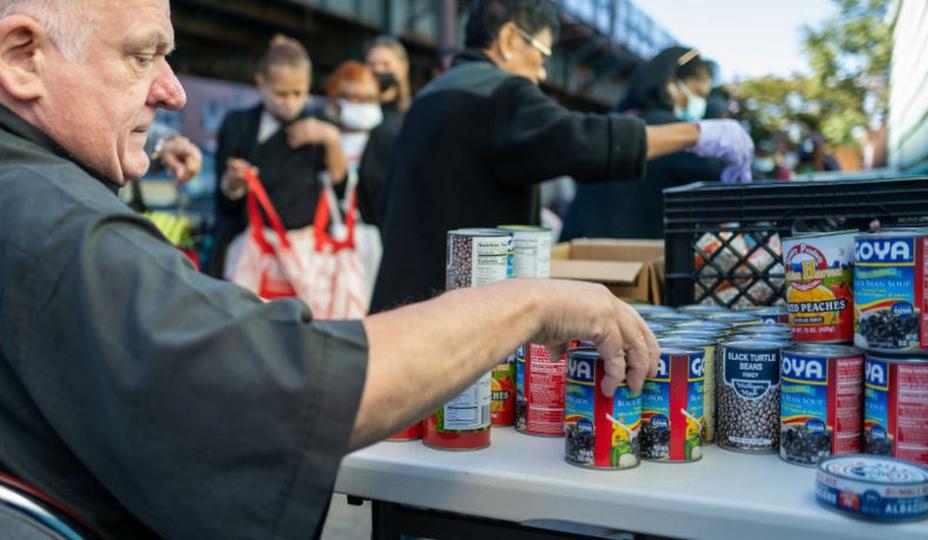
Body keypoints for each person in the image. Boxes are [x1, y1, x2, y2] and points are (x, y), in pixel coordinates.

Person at [0, 1, 658, 537]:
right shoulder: (52, 219)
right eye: (142, 55)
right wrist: (534, 304)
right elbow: (288, 389)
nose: (171, 90)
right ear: (23, 58)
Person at [371, 1, 754, 312]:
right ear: (508, 39)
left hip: (401, 303)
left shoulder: (430, 96)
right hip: (451, 312)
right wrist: (696, 133)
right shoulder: (501, 93)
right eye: (541, 55)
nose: (540, 74)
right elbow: (580, 142)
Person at [206, 34, 347, 279]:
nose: (290, 103)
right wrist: (234, 182)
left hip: (305, 260)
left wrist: (331, 140)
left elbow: (339, 186)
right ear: (261, 83)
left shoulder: (320, 126)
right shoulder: (237, 125)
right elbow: (224, 199)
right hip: (246, 252)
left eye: (298, 93)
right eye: (281, 94)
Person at [561, 46, 734, 241]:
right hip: (632, 263)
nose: (700, 103)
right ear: (671, 86)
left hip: (577, 253)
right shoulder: (678, 135)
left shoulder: (613, 124)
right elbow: (727, 182)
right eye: (698, 93)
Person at [324, 60, 386, 290]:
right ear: (336, 99)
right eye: (355, 98)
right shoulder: (321, 137)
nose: (363, 105)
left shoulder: (387, 141)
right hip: (329, 239)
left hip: (370, 240)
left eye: (370, 99)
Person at [361, 36, 409, 230]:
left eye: (385, 64)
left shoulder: (412, 116)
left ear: (403, 67)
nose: (378, 70)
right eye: (372, 64)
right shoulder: (349, 116)